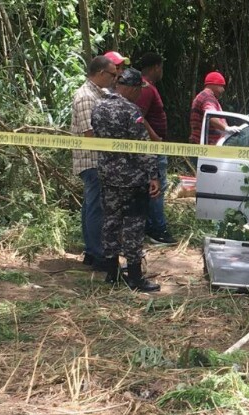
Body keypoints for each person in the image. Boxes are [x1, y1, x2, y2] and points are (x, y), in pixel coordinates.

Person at [92, 68, 161, 292]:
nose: (140, 94)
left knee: (110, 223)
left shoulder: (98, 107)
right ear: (131, 88)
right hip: (132, 179)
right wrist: (153, 175)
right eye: (139, 90)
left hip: (108, 176)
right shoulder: (132, 111)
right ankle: (135, 277)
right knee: (133, 226)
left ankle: (112, 274)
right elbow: (142, 148)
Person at [70, 55, 118, 271]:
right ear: (100, 73)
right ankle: (99, 256)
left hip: (96, 159)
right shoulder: (86, 97)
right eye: (112, 75)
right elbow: (90, 133)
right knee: (97, 208)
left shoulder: (98, 93)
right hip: (92, 160)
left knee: (91, 206)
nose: (114, 79)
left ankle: (91, 252)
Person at [135, 52, 177, 245]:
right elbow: (138, 116)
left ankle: (150, 226)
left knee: (154, 187)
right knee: (157, 187)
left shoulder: (147, 87)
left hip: (153, 146)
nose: (162, 71)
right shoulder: (145, 88)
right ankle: (157, 231)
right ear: (155, 67)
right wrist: (155, 137)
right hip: (152, 148)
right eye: (161, 67)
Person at [189, 71, 238, 145]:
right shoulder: (208, 97)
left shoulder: (201, 96)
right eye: (221, 86)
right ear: (214, 84)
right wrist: (226, 128)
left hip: (200, 143)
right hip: (207, 146)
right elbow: (211, 116)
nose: (223, 90)